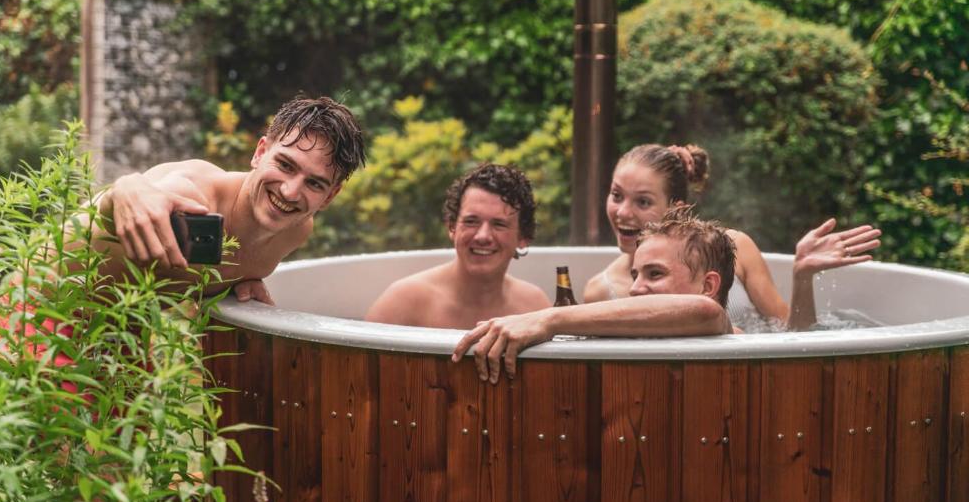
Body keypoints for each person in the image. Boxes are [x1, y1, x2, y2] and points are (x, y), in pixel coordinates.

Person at [453, 206, 880, 383]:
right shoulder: (639, 327)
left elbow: (701, 313)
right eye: (637, 273)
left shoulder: (715, 323)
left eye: (655, 274)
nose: (637, 287)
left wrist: (547, 319)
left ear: (709, 285)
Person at [85, 95, 366, 304]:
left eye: (314, 183)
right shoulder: (194, 200)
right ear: (260, 153)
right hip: (52, 312)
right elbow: (128, 206)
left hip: (124, 343)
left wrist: (236, 285)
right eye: (285, 165)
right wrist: (126, 190)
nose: (290, 192)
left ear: (330, 196)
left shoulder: (296, 231)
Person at [583, 143, 790, 321]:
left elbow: (789, 332)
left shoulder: (736, 247)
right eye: (617, 195)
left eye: (643, 201)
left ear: (676, 210)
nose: (623, 212)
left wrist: (803, 277)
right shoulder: (600, 291)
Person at [364, 163, 551, 328]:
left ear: (523, 237)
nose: (482, 236)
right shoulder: (404, 302)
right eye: (471, 221)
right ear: (452, 227)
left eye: (499, 224)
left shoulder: (534, 308)